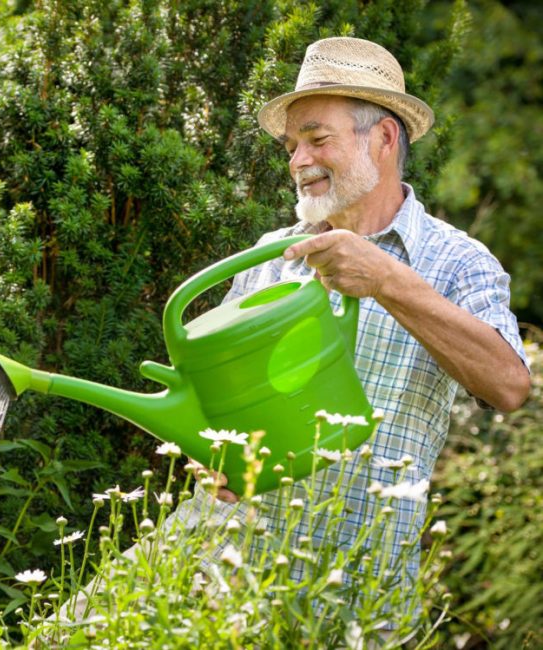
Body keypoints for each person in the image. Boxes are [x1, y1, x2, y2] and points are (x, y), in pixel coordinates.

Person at [60, 36, 531, 634]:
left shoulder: (457, 262)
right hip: (224, 569)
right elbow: (219, 407)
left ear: (384, 139)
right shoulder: (269, 258)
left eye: (317, 137)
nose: (297, 159)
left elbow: (510, 385)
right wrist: (212, 456)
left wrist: (388, 279)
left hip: (356, 589)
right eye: (291, 146)